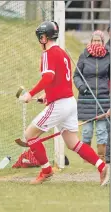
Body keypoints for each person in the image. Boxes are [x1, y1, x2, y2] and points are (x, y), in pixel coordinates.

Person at [18, 21, 109, 186]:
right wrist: (46, 96)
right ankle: (101, 165)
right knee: (73, 143)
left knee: (30, 135)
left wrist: (30, 94)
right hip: (69, 102)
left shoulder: (47, 54)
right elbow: (61, 82)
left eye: (40, 37)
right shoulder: (63, 53)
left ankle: (46, 171)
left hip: (60, 105)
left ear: (44, 38)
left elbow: (48, 78)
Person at [73, 30, 110, 162]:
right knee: (87, 132)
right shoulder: (84, 55)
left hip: (103, 100)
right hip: (86, 100)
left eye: (98, 41)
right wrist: (82, 87)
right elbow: (76, 75)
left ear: (102, 42)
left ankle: (101, 158)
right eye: (94, 40)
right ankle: (87, 159)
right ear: (91, 41)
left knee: (101, 132)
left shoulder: (108, 56)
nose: (96, 43)